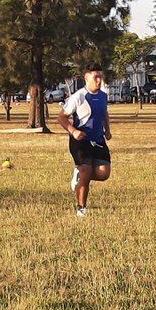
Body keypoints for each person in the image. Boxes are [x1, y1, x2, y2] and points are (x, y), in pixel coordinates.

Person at [57, 67, 112, 217]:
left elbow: (104, 113)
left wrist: (107, 129)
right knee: (86, 170)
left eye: (100, 77)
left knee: (103, 174)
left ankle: (78, 175)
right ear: (86, 79)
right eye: (95, 77)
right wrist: (73, 131)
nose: (99, 80)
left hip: (98, 140)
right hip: (81, 141)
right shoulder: (78, 97)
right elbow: (61, 117)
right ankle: (81, 208)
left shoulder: (103, 96)